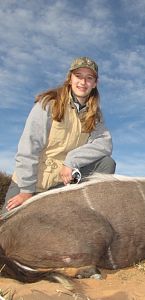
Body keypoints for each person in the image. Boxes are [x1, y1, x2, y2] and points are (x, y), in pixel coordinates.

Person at [2, 57, 116, 213]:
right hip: (32, 182)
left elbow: (105, 144)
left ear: (95, 83)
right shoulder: (48, 103)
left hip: (62, 182)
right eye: (79, 76)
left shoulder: (95, 115)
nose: (83, 82)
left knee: (107, 163)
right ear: (70, 78)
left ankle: (83, 208)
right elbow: (29, 147)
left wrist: (71, 161)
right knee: (7, 230)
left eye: (89, 78)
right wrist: (26, 191)